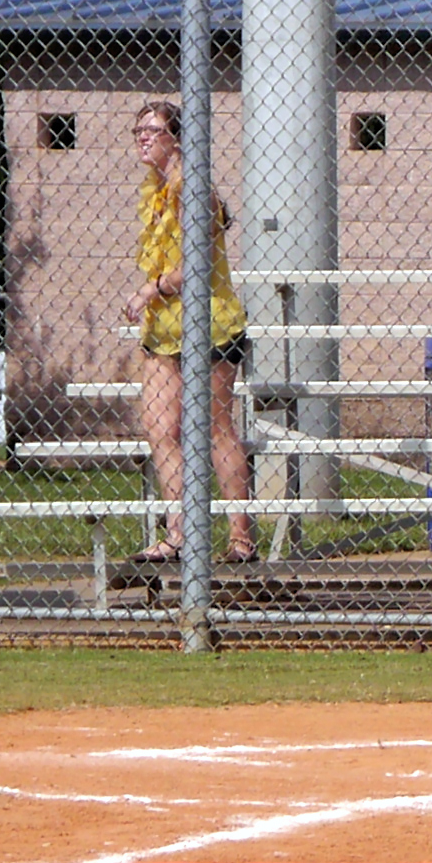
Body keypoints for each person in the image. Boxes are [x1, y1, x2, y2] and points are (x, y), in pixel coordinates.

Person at [123, 100, 256, 565]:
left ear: (176, 138)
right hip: (164, 329)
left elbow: (195, 263)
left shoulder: (192, 189)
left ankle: (241, 540)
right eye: (138, 129)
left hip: (212, 324)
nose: (143, 137)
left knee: (217, 427)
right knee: (160, 428)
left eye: (153, 130)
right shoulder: (156, 190)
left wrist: (149, 290)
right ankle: (179, 535)